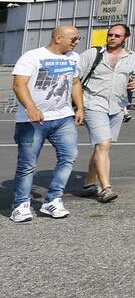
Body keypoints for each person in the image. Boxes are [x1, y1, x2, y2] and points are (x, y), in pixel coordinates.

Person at [10, 25, 84, 223]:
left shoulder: (73, 58)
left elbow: (75, 83)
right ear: (58, 38)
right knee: (27, 165)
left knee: (69, 157)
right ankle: (20, 205)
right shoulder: (32, 57)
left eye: (78, 39)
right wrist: (31, 108)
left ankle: (52, 200)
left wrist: (80, 108)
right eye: (74, 39)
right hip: (32, 121)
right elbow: (19, 84)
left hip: (63, 117)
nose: (76, 42)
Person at [77, 24, 135, 204]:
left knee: (102, 147)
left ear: (125, 38)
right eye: (110, 35)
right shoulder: (92, 54)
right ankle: (105, 188)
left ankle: (88, 184)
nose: (112, 38)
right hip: (93, 104)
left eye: (117, 35)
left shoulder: (131, 58)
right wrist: (78, 106)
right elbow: (74, 78)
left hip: (116, 106)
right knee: (103, 143)